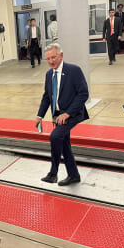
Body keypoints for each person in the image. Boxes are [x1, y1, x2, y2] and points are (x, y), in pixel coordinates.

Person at [35, 43, 89, 186]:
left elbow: (83, 94)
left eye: (54, 57)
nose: (51, 61)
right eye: (48, 59)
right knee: (64, 143)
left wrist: (68, 114)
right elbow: (47, 96)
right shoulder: (48, 74)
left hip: (72, 113)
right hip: (57, 115)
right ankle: (74, 175)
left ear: (61, 55)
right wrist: (40, 116)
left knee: (55, 136)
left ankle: (53, 173)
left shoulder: (74, 70)